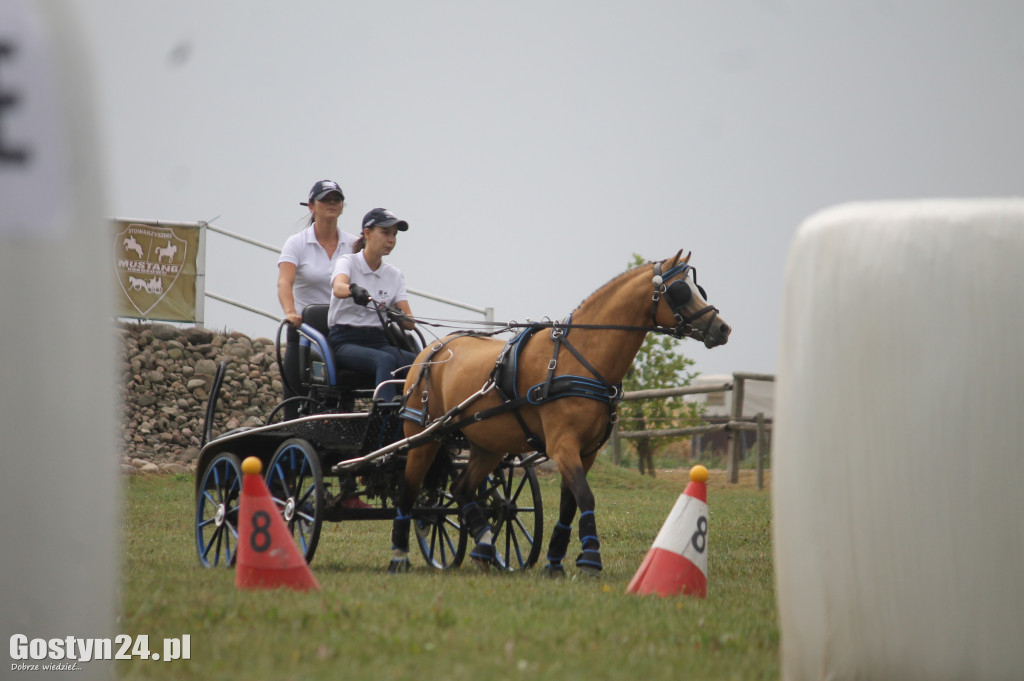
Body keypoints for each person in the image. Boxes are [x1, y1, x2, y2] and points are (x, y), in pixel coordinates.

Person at [276, 179, 359, 419]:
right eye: (325, 200)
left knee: (343, 396)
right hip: (305, 330)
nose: (332, 204)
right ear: (312, 206)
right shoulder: (297, 243)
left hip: (343, 328)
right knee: (296, 397)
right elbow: (284, 282)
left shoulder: (353, 245)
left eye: (337, 200)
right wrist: (291, 312)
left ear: (342, 207)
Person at [328, 208, 417, 404]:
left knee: (420, 362)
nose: (391, 239)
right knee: (385, 360)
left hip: (378, 340)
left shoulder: (393, 274)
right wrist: (353, 290)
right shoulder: (348, 262)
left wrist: (397, 315)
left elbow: (410, 323)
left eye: (394, 234)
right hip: (345, 341)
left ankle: (418, 416)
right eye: (386, 233)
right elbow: (339, 287)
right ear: (367, 234)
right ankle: (383, 418)